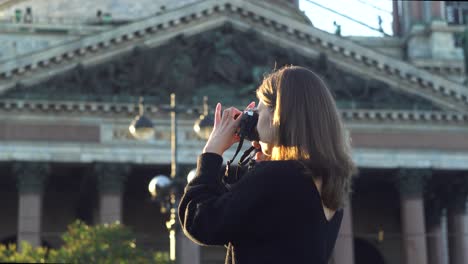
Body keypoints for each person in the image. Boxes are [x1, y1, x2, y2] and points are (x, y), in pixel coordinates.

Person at [178, 65, 357, 264]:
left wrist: (211, 152)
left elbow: (201, 222)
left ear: (277, 115)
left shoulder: (277, 177)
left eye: (259, 109)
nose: (253, 117)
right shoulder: (327, 185)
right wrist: (257, 168)